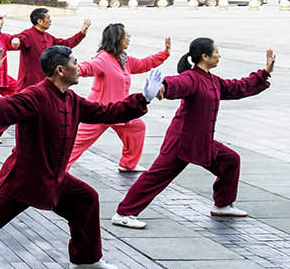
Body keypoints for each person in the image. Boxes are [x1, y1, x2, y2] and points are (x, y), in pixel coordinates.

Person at [0, 46, 162, 269]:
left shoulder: (72, 99)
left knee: (86, 200)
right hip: (24, 180)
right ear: (60, 69)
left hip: (53, 178)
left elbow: (105, 112)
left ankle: (85, 259)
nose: (78, 68)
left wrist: (143, 99)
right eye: (75, 64)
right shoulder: (36, 95)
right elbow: (8, 105)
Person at [112, 40, 275, 229]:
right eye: (216, 52)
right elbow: (176, 83)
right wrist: (161, 87)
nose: (219, 55)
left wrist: (265, 73)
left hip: (202, 141)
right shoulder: (191, 78)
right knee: (155, 178)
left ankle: (222, 204)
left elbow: (237, 87)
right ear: (204, 57)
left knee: (230, 160)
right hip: (181, 141)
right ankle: (124, 213)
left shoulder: (213, 80)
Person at [65, 25, 170, 173]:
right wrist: (71, 70)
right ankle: (58, 169)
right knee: (76, 143)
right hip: (100, 112)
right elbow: (87, 67)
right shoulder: (103, 58)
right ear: (117, 38)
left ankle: (128, 164)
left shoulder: (124, 59)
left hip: (119, 112)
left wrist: (164, 54)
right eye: (126, 35)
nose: (129, 38)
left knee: (137, 127)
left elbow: (143, 64)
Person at [0, 10, 91, 142]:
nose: (50, 20)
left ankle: (32, 140)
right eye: (48, 18)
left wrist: (81, 33)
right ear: (39, 21)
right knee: (15, 109)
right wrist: (15, 40)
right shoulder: (28, 35)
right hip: (29, 83)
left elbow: (65, 44)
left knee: (39, 114)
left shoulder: (49, 37)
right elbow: (18, 39)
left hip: (45, 83)